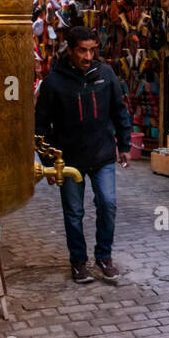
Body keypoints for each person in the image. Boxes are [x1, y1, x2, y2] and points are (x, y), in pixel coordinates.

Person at [35, 25, 133, 284]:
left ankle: (104, 256)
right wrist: (48, 164)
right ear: (70, 49)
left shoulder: (105, 74)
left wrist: (124, 144)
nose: (87, 56)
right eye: (82, 50)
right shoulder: (53, 82)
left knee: (108, 204)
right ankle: (78, 262)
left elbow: (119, 111)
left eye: (92, 50)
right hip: (68, 161)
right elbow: (41, 126)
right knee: (74, 212)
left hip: (102, 155)